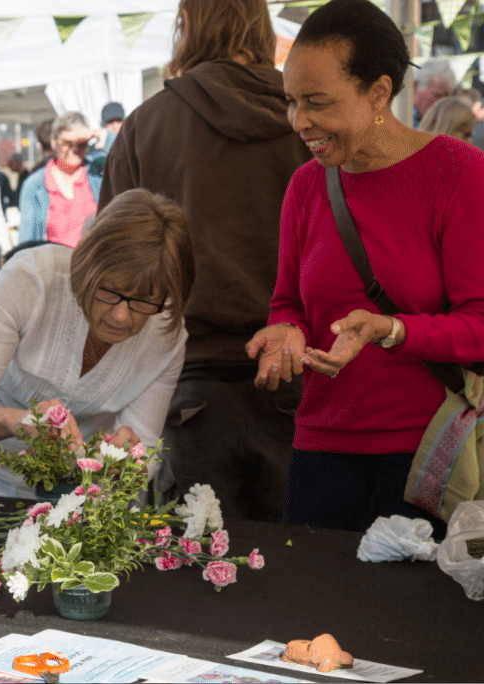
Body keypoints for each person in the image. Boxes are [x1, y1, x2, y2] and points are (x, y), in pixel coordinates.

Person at [246, 0, 484, 535]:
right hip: (319, 452)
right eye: (291, 102)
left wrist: (393, 329)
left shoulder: (460, 174)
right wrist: (285, 330)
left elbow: (480, 325)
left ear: (378, 92)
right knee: (311, 612)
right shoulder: (306, 186)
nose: (298, 121)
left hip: (430, 455)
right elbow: (288, 301)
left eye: (317, 102)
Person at [99, 0, 311, 521]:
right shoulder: (309, 119)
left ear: (187, 24)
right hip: (297, 376)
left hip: (183, 385)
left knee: (195, 579)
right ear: (261, 27)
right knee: (304, 575)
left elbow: (110, 267)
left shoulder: (147, 125)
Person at [0, 188, 193, 498]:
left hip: (74, 498)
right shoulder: (31, 278)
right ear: (86, 265)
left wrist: (129, 458)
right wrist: (17, 421)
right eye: (110, 292)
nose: (122, 315)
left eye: (144, 301)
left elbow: (147, 447)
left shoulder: (166, 330)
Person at [18, 111, 103, 248]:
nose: (74, 149)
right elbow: (26, 241)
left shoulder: (98, 174)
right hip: (54, 267)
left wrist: (99, 134)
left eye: (81, 144)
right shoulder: (35, 185)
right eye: (67, 143)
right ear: (53, 142)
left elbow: (128, 156)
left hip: (96, 265)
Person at [412, 58, 455, 129]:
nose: (443, 101)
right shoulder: (401, 119)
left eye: (447, 96)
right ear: (416, 87)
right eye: (437, 95)